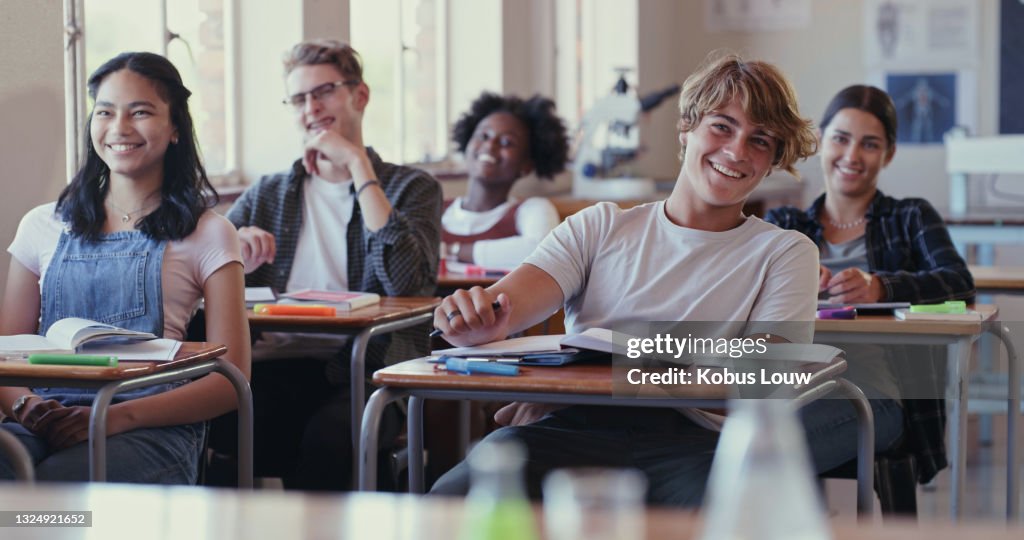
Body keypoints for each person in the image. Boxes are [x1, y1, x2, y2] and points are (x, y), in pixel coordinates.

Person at [428, 53, 902, 506]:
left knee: (716, 514)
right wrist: (471, 320)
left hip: (695, 442)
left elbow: (761, 373)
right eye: (722, 126)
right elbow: (504, 307)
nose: (736, 151)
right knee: (450, 501)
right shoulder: (598, 226)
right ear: (686, 128)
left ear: (772, 159)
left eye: (760, 140)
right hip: (570, 428)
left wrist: (607, 379)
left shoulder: (786, 251)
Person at [0, 52, 250, 483]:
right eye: (106, 112)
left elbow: (232, 380)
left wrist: (115, 418)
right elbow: (6, 354)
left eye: (141, 112)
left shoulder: (210, 232)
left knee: (62, 490)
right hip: (41, 418)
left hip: (151, 427)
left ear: (175, 128)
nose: (120, 128)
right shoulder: (42, 224)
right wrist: (26, 405)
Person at [223, 39, 441, 490]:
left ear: (359, 96)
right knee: (213, 424)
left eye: (323, 92)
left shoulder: (410, 187)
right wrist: (232, 244)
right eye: (299, 98)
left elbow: (410, 282)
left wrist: (359, 166)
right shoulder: (268, 193)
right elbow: (195, 265)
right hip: (274, 366)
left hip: (366, 368)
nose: (311, 108)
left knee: (330, 437)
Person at [766, 84, 974, 483]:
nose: (852, 156)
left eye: (870, 144)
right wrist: (791, 282)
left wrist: (882, 287)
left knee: (763, 451)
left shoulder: (911, 216)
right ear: (821, 141)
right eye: (841, 139)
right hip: (791, 387)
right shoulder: (785, 225)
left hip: (875, 394)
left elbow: (960, 284)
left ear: (888, 154)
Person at [441, 92, 569, 270]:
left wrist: (451, 250)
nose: (490, 145)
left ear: (527, 165)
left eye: (506, 142)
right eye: (483, 136)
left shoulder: (532, 210)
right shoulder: (433, 208)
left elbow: (544, 253)